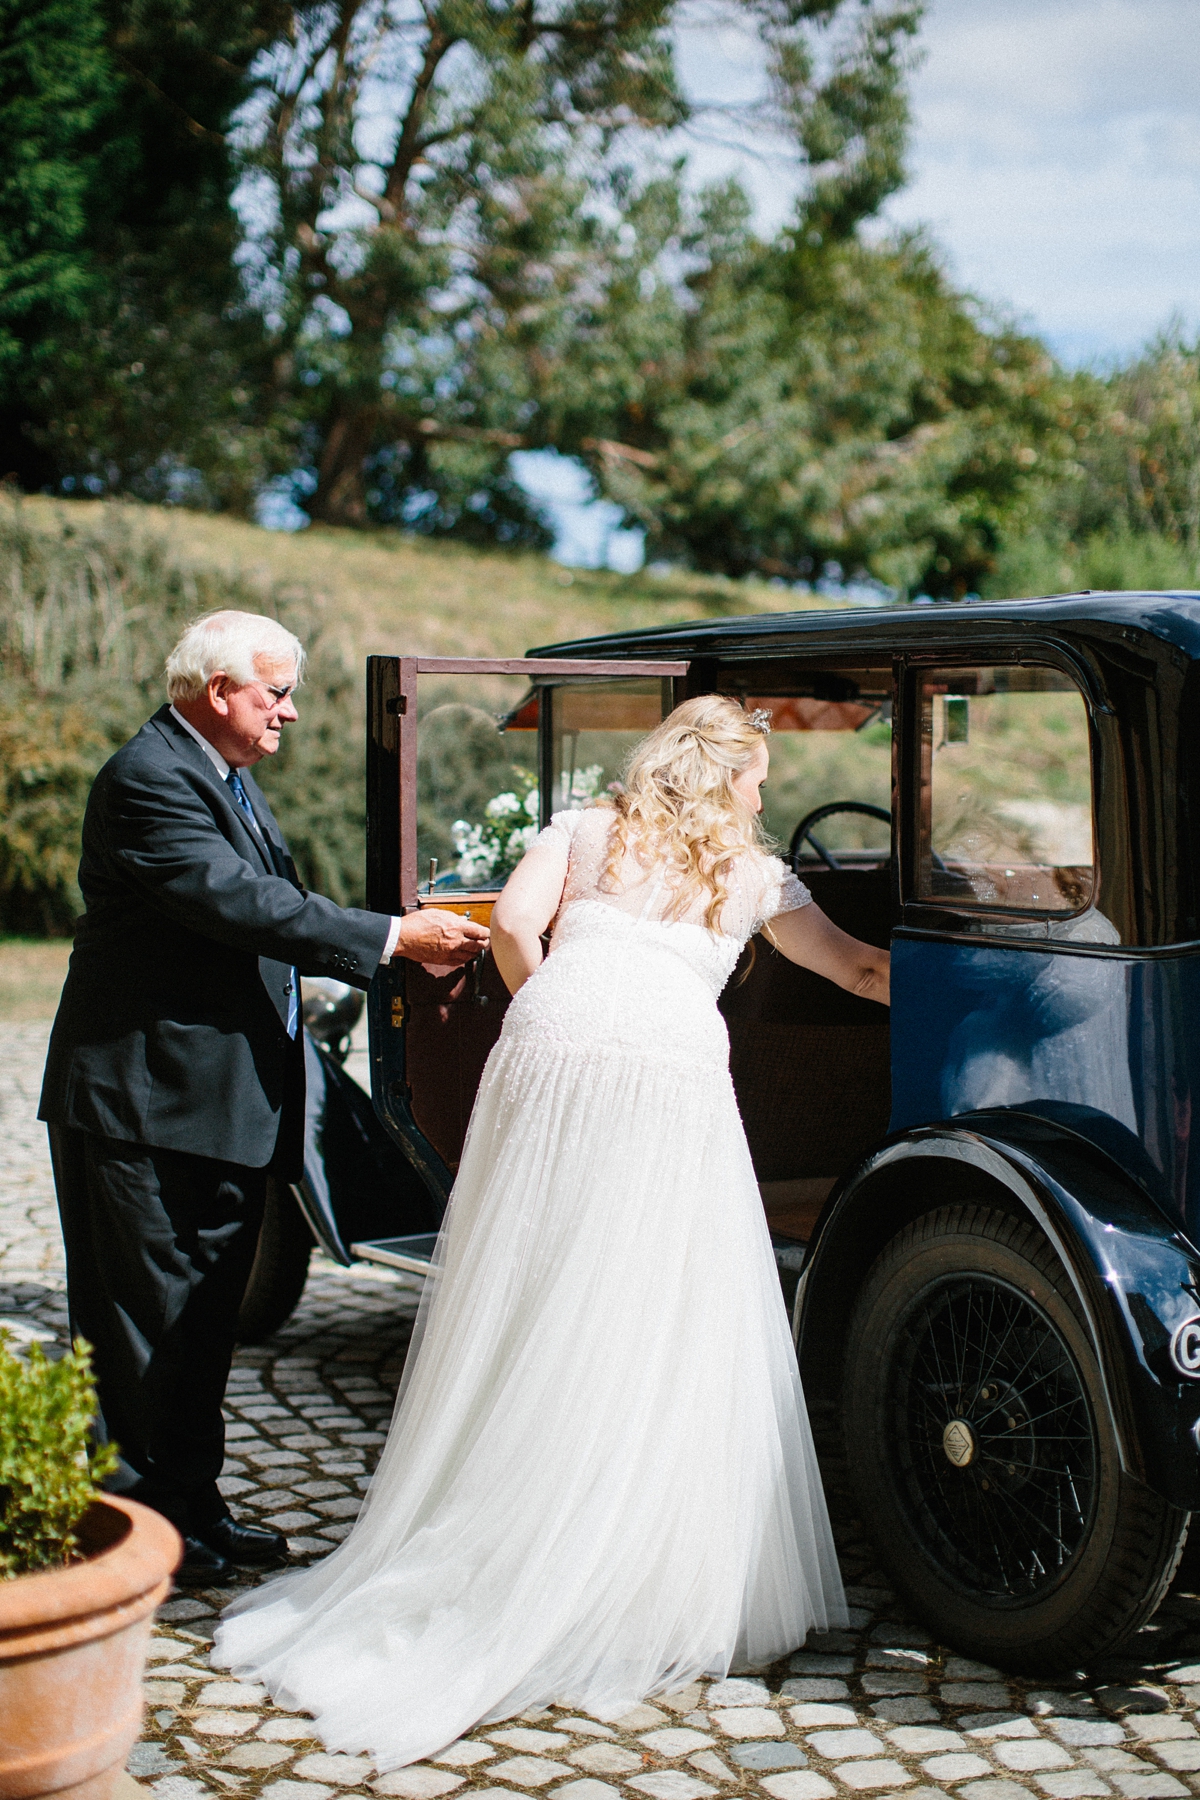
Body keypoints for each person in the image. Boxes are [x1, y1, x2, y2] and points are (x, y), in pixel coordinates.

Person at [213, 695, 890, 1764]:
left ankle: (511, 1518)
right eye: (758, 777)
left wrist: (560, 1012)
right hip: (666, 1068)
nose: (766, 795)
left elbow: (516, 933)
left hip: (553, 1044)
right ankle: (624, 1562)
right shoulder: (756, 876)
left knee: (538, 1287)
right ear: (723, 777)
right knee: (654, 1301)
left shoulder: (580, 828)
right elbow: (857, 967)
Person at [38, 610, 488, 1587]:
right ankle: (142, 1540)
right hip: (144, 1107)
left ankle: (193, 1512)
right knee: (142, 1332)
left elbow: (261, 910)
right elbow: (235, 902)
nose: (289, 713)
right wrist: (390, 940)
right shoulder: (149, 779)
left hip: (217, 1106)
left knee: (201, 1329)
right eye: (275, 692)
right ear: (217, 692)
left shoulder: (222, 774)